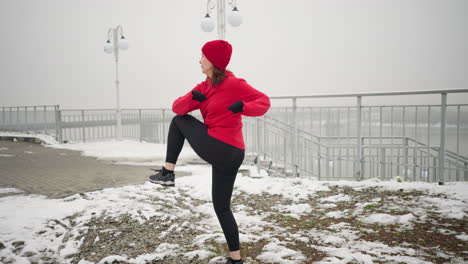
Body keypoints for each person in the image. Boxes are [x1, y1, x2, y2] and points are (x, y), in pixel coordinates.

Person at [149, 39, 270, 264]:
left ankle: (167, 173)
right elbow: (178, 107)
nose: (199, 60)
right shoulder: (203, 87)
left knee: (178, 122)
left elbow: (263, 102)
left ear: (213, 61)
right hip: (228, 152)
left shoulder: (235, 84)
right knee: (222, 207)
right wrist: (192, 98)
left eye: (203, 56)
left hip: (224, 148)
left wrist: (244, 107)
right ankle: (236, 260)